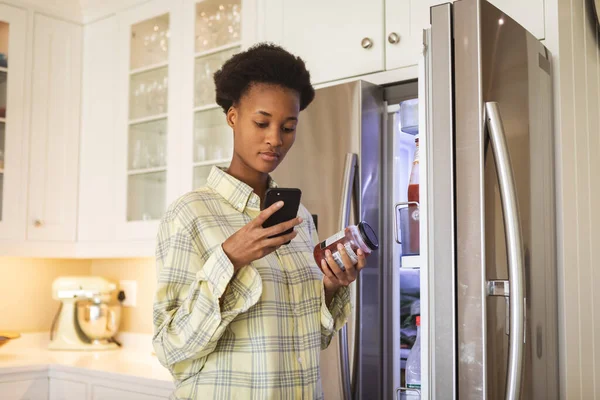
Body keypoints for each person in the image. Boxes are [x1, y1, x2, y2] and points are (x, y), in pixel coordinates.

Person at [152, 43, 368, 400]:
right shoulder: (190, 215)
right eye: (261, 122)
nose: (275, 140)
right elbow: (169, 347)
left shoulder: (299, 221)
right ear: (233, 116)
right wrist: (230, 259)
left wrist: (330, 288)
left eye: (288, 127)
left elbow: (313, 341)